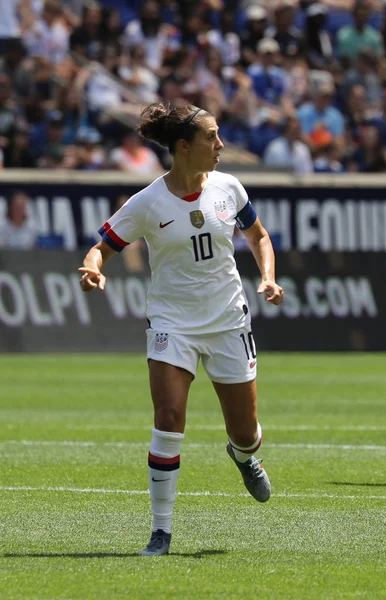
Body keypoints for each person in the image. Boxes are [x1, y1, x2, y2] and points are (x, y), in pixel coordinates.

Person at [78, 103, 284, 557]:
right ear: (184, 147)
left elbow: (258, 236)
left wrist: (268, 277)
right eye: (212, 137)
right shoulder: (148, 202)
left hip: (228, 320)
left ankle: (244, 456)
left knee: (246, 432)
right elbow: (102, 247)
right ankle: (161, 533)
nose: (221, 145)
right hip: (172, 322)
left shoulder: (229, 187)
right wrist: (93, 269)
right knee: (169, 420)